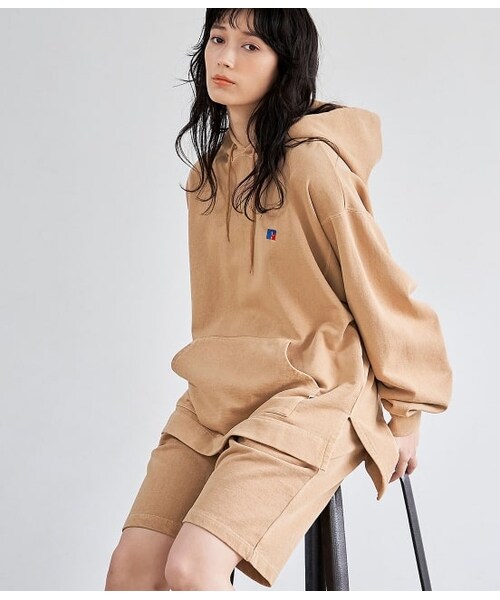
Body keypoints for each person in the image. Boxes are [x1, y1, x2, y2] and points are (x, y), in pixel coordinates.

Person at [105, 8, 453, 591]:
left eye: (250, 46)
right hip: (216, 392)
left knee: (193, 567)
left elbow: (379, 286)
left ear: (284, 65)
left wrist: (408, 412)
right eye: (218, 39)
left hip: (313, 390)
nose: (225, 57)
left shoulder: (313, 166)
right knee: (131, 568)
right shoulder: (204, 178)